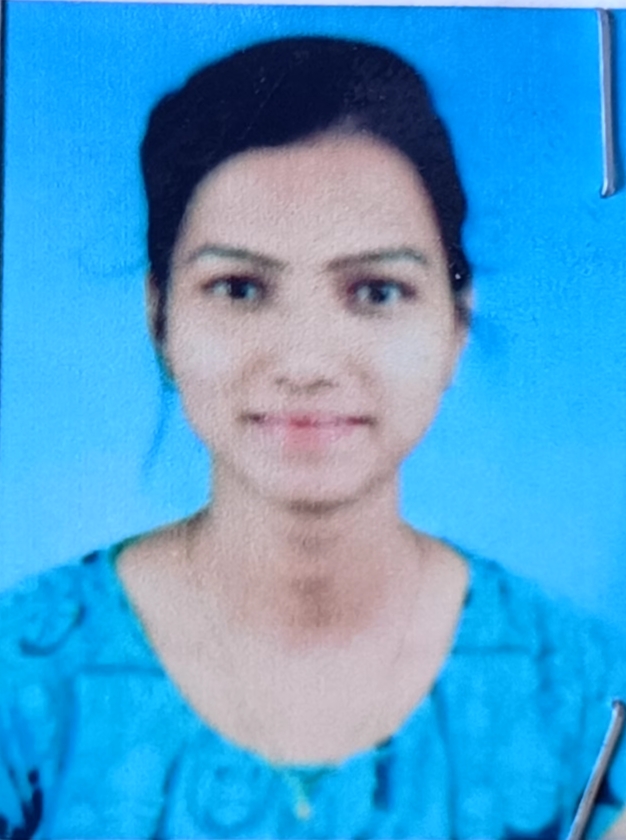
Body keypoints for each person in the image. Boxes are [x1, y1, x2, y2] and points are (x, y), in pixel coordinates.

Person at [1, 34, 625, 839]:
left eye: (376, 291)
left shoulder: (578, 700)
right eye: (239, 288)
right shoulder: (23, 680)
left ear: (456, 323)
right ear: (159, 317)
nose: (305, 362)